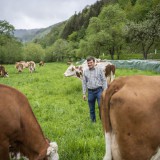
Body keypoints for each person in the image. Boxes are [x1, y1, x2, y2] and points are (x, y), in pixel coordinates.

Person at [82, 56, 107, 122]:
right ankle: (93, 121)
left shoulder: (100, 69)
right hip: (90, 92)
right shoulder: (85, 71)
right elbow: (84, 83)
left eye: (91, 62)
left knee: (100, 106)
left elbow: (104, 80)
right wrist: (84, 93)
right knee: (91, 108)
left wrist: (105, 90)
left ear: (94, 62)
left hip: (99, 90)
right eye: (88, 63)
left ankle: (102, 120)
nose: (89, 64)